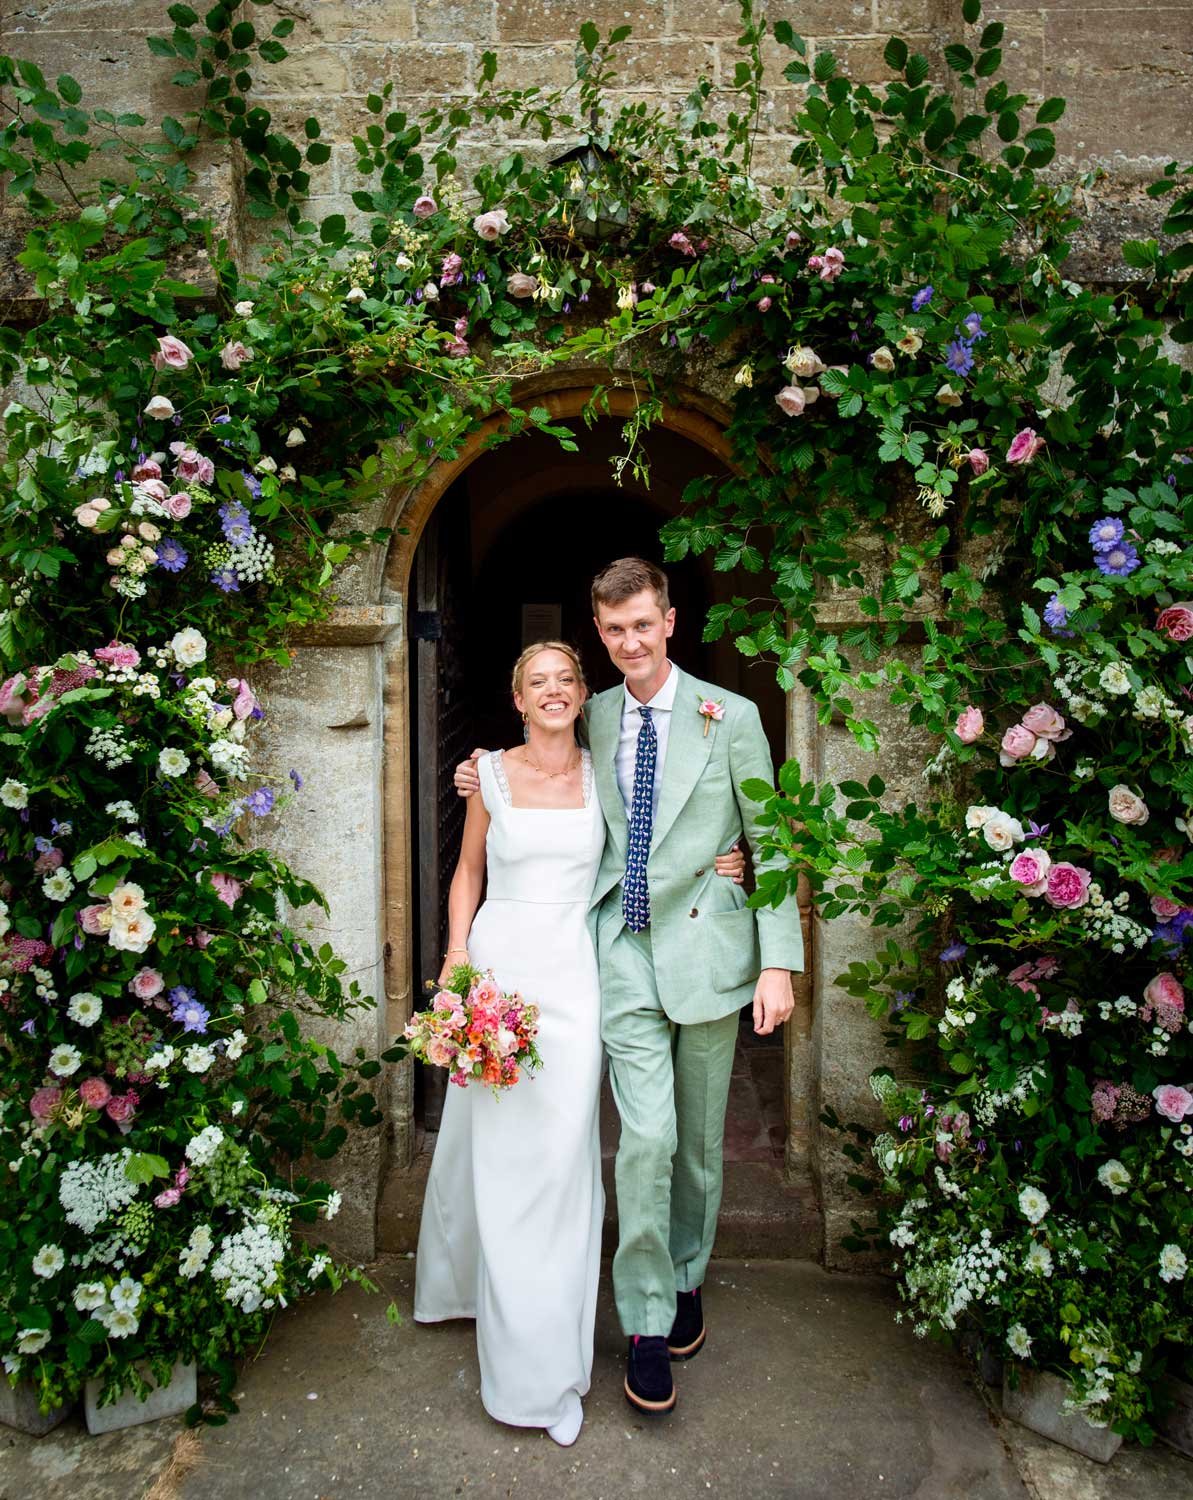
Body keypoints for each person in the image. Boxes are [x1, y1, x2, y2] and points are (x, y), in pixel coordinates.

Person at [454, 559, 804, 1419]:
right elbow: (533, 770)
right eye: (614, 630)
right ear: (599, 635)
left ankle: (686, 1275)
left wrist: (776, 961)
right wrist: (479, 773)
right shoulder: (596, 714)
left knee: (697, 1145)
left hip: (710, 952)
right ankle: (646, 1321)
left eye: (642, 624)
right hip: (619, 953)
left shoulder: (732, 717)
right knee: (646, 1138)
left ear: (669, 622)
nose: (630, 642)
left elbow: (771, 841)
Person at [414, 640, 744, 1446]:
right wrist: (456, 957)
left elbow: (666, 835)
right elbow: (467, 872)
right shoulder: (487, 775)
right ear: (517, 698)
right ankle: (507, 1331)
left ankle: (552, 1335)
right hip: (499, 968)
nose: (553, 691)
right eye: (538, 682)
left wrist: (722, 864)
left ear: (582, 693)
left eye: (565, 679)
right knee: (500, 1149)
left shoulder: (608, 777)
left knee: (563, 1157)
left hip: (577, 972)